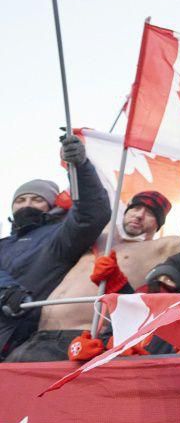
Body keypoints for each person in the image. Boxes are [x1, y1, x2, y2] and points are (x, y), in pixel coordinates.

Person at [6, 191, 180, 362]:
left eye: (150, 213)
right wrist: (58, 211)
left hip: (79, 339)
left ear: (159, 224)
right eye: (135, 208)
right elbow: (86, 214)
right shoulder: (101, 236)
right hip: (34, 336)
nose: (139, 215)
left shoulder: (160, 247)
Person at [0, 136, 111, 360]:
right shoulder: (3, 244)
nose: (27, 204)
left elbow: (92, 213)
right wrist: (5, 290)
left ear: (51, 205)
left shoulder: (59, 237)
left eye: (36, 199)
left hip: (31, 342)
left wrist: (80, 168)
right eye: (20, 200)